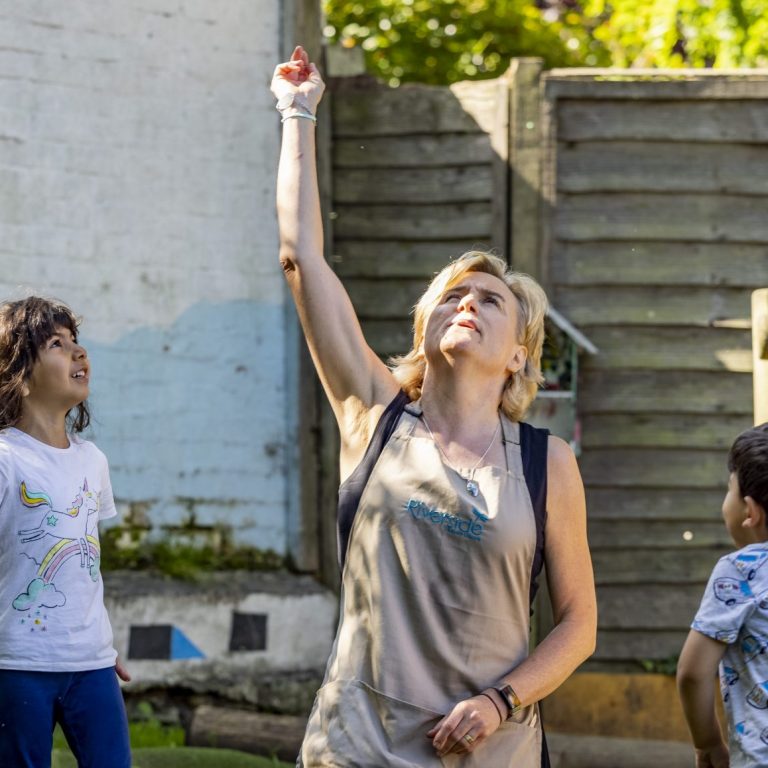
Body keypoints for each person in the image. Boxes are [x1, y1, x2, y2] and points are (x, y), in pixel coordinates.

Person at [273, 46, 597, 767]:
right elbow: (301, 258)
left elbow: (579, 626)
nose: (468, 304)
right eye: (453, 294)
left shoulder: (548, 464)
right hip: (358, 746)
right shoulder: (375, 416)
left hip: (494, 749)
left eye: (491, 301)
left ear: (519, 353)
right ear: (426, 325)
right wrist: (297, 111)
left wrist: (499, 701)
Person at [0, 297, 131, 768]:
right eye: (57, 344)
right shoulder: (6, 459)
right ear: (19, 373)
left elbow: (85, 561)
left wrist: (100, 639)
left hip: (92, 662)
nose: (79, 353)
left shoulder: (92, 461)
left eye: (77, 342)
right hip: (17, 664)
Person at [677, 423, 768, 768]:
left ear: (750, 511)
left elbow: (693, 672)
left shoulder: (740, 569)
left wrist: (708, 744)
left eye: (728, 489)